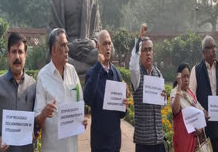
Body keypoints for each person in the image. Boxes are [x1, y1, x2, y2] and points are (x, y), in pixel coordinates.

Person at [34, 28, 87, 152]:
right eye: (63, 45)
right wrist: (44, 114)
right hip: (53, 147)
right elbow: (37, 119)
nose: (67, 49)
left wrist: (81, 120)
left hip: (72, 147)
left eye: (67, 45)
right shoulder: (43, 76)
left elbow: (79, 102)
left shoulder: (72, 71)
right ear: (53, 50)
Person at [0, 33, 36, 152]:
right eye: (14, 51)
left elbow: (37, 119)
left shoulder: (33, 85)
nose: (17, 56)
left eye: (20, 52)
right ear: (8, 55)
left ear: (25, 55)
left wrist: (35, 131)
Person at [84, 30, 128, 151]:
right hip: (99, 141)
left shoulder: (116, 74)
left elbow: (121, 114)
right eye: (104, 44)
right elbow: (87, 99)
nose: (108, 47)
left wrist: (124, 106)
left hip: (114, 140)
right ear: (98, 47)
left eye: (109, 43)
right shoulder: (92, 73)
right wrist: (99, 66)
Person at [189, 35, 218, 152]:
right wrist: (201, 110)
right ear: (203, 52)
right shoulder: (196, 69)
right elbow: (191, 96)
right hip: (203, 124)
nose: (214, 50)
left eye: (214, 46)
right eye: (210, 47)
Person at [129, 23, 167, 152]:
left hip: (158, 138)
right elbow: (132, 66)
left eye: (150, 49)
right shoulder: (137, 75)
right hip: (144, 141)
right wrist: (139, 38)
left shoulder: (158, 73)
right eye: (145, 50)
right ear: (140, 54)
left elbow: (161, 105)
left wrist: (164, 98)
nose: (148, 53)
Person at [171, 63, 206, 152]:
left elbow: (199, 111)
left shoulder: (190, 93)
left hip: (194, 138)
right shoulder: (174, 92)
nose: (186, 80)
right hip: (183, 138)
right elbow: (175, 110)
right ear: (178, 77)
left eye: (188, 76)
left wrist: (200, 127)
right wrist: (179, 86)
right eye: (183, 77)